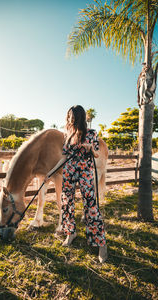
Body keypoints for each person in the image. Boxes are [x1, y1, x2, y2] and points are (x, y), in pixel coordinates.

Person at [45, 105, 107, 263]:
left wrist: (90, 148)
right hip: (69, 172)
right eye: (68, 117)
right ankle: (70, 233)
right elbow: (64, 157)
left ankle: (100, 243)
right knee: (67, 204)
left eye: (71, 117)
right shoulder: (68, 135)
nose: (69, 120)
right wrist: (51, 172)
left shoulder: (92, 133)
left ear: (79, 118)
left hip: (85, 172)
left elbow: (97, 153)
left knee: (91, 205)